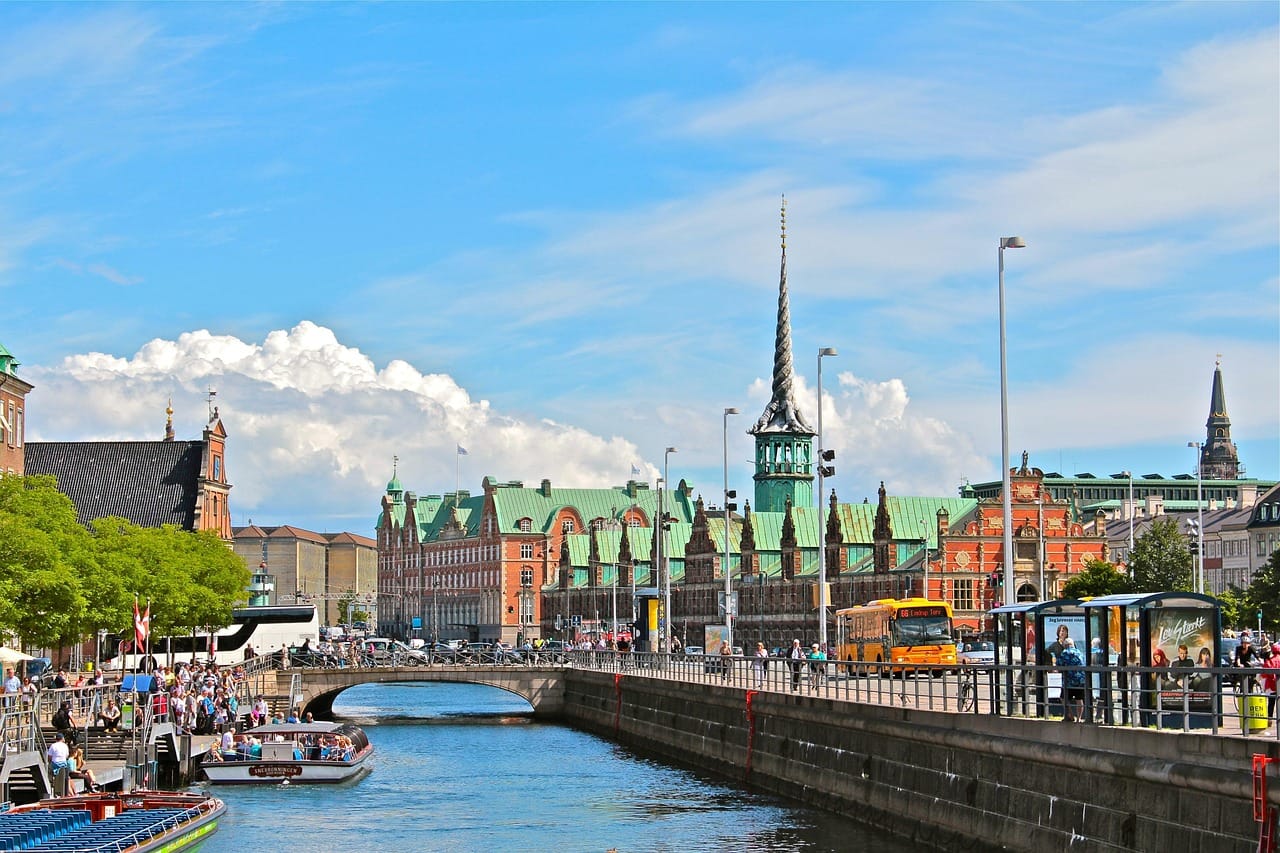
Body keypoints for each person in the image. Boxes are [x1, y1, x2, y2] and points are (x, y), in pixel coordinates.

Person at [1056, 637, 1086, 723]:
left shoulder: (1064, 653)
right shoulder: (1079, 652)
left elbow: (1059, 665)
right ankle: (1079, 718)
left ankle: (1070, 715)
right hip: (1080, 680)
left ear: (1065, 645)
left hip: (1068, 681)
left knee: (1063, 698)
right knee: (1079, 699)